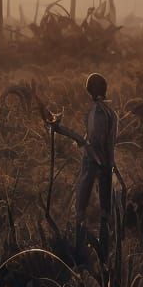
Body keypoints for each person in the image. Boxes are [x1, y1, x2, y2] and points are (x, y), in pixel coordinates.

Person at [49, 72, 118, 263]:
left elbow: (93, 143)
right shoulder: (111, 112)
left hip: (93, 164)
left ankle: (79, 254)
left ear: (89, 91)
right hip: (108, 165)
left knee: (80, 210)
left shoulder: (96, 112)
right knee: (106, 212)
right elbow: (107, 143)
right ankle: (104, 254)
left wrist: (64, 132)